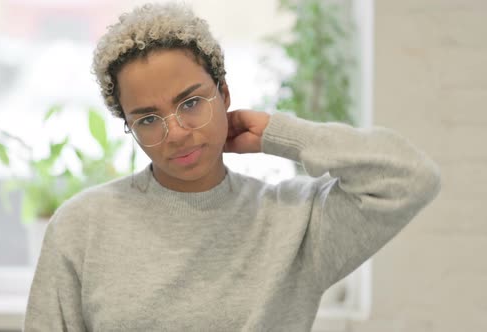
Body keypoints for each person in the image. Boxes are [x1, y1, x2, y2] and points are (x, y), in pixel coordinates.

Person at [23, 2, 441, 331]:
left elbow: (410, 178)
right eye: (148, 119)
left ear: (223, 94)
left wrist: (282, 134)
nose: (178, 134)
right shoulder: (82, 226)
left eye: (191, 103)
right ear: (129, 127)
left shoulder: (294, 223)